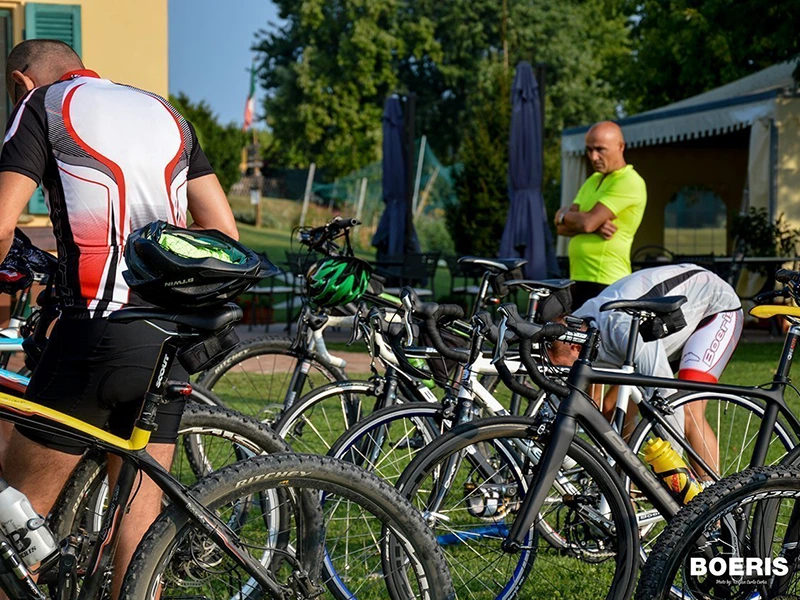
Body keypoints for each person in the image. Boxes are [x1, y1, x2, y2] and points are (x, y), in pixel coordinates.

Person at [0, 40, 238, 597]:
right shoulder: (166, 113)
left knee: (13, 531)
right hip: (170, 335)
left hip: (97, 330)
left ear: (19, 83)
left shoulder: (43, 106)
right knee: (139, 529)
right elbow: (224, 233)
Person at [547, 263, 743, 481]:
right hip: (661, 322)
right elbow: (581, 400)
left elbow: (667, 399)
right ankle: (625, 493)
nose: (567, 375)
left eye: (566, 368)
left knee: (686, 408)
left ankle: (713, 503)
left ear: (576, 348)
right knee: (611, 409)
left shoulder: (622, 328)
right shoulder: (577, 327)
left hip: (715, 308)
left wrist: (671, 472)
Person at [554, 121, 646, 310]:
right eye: (589, 150)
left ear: (621, 147)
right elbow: (561, 228)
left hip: (605, 279)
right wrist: (564, 216)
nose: (593, 157)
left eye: (600, 150)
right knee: (565, 336)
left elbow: (587, 223)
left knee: (588, 338)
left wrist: (579, 219)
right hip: (578, 276)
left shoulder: (629, 181)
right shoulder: (593, 180)